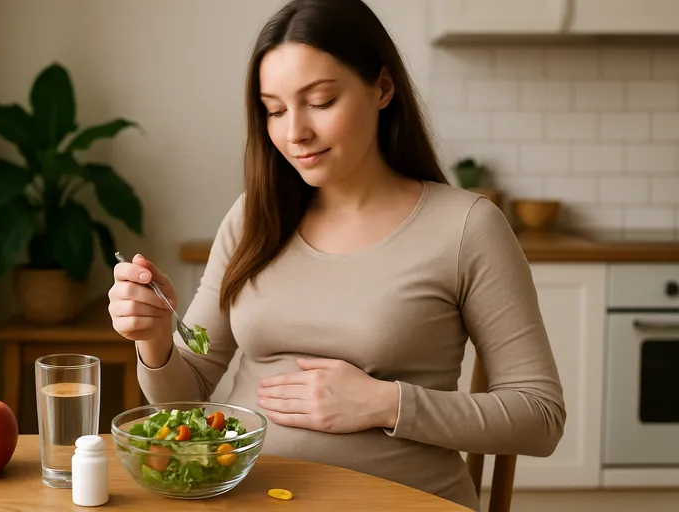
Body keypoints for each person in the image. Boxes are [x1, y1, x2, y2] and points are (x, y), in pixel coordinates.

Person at [107, 0, 566, 509]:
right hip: (245, 496)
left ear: (383, 88)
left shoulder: (466, 227)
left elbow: (541, 418)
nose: (294, 132)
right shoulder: (253, 217)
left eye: (320, 101)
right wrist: (153, 339)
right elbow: (185, 395)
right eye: (275, 110)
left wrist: (386, 405)